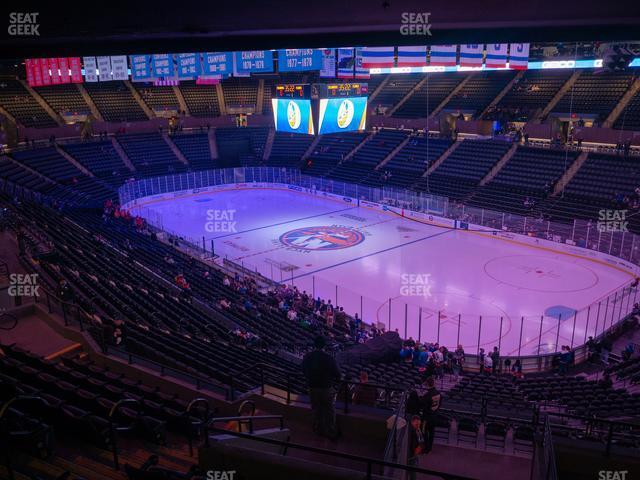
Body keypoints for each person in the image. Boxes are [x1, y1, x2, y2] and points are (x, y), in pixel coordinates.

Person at [302, 336, 342, 439]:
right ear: (324, 345)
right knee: (329, 410)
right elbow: (338, 375)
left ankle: (318, 430)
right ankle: (331, 431)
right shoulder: (329, 358)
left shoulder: (308, 356)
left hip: (312, 388)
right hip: (326, 388)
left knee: (316, 409)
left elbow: (303, 370)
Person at [420, 376, 441, 454]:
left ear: (427, 384)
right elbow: (439, 405)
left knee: (424, 431)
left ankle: (426, 448)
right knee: (432, 432)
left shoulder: (427, 395)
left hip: (426, 418)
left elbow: (423, 406)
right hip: (434, 416)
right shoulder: (438, 393)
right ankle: (430, 448)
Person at [408, 415, 426, 480]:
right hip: (411, 455)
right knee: (413, 472)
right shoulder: (411, 431)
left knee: (414, 469)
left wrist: (420, 447)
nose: (418, 425)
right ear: (412, 422)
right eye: (416, 423)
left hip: (415, 454)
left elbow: (422, 442)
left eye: (419, 424)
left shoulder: (418, 430)